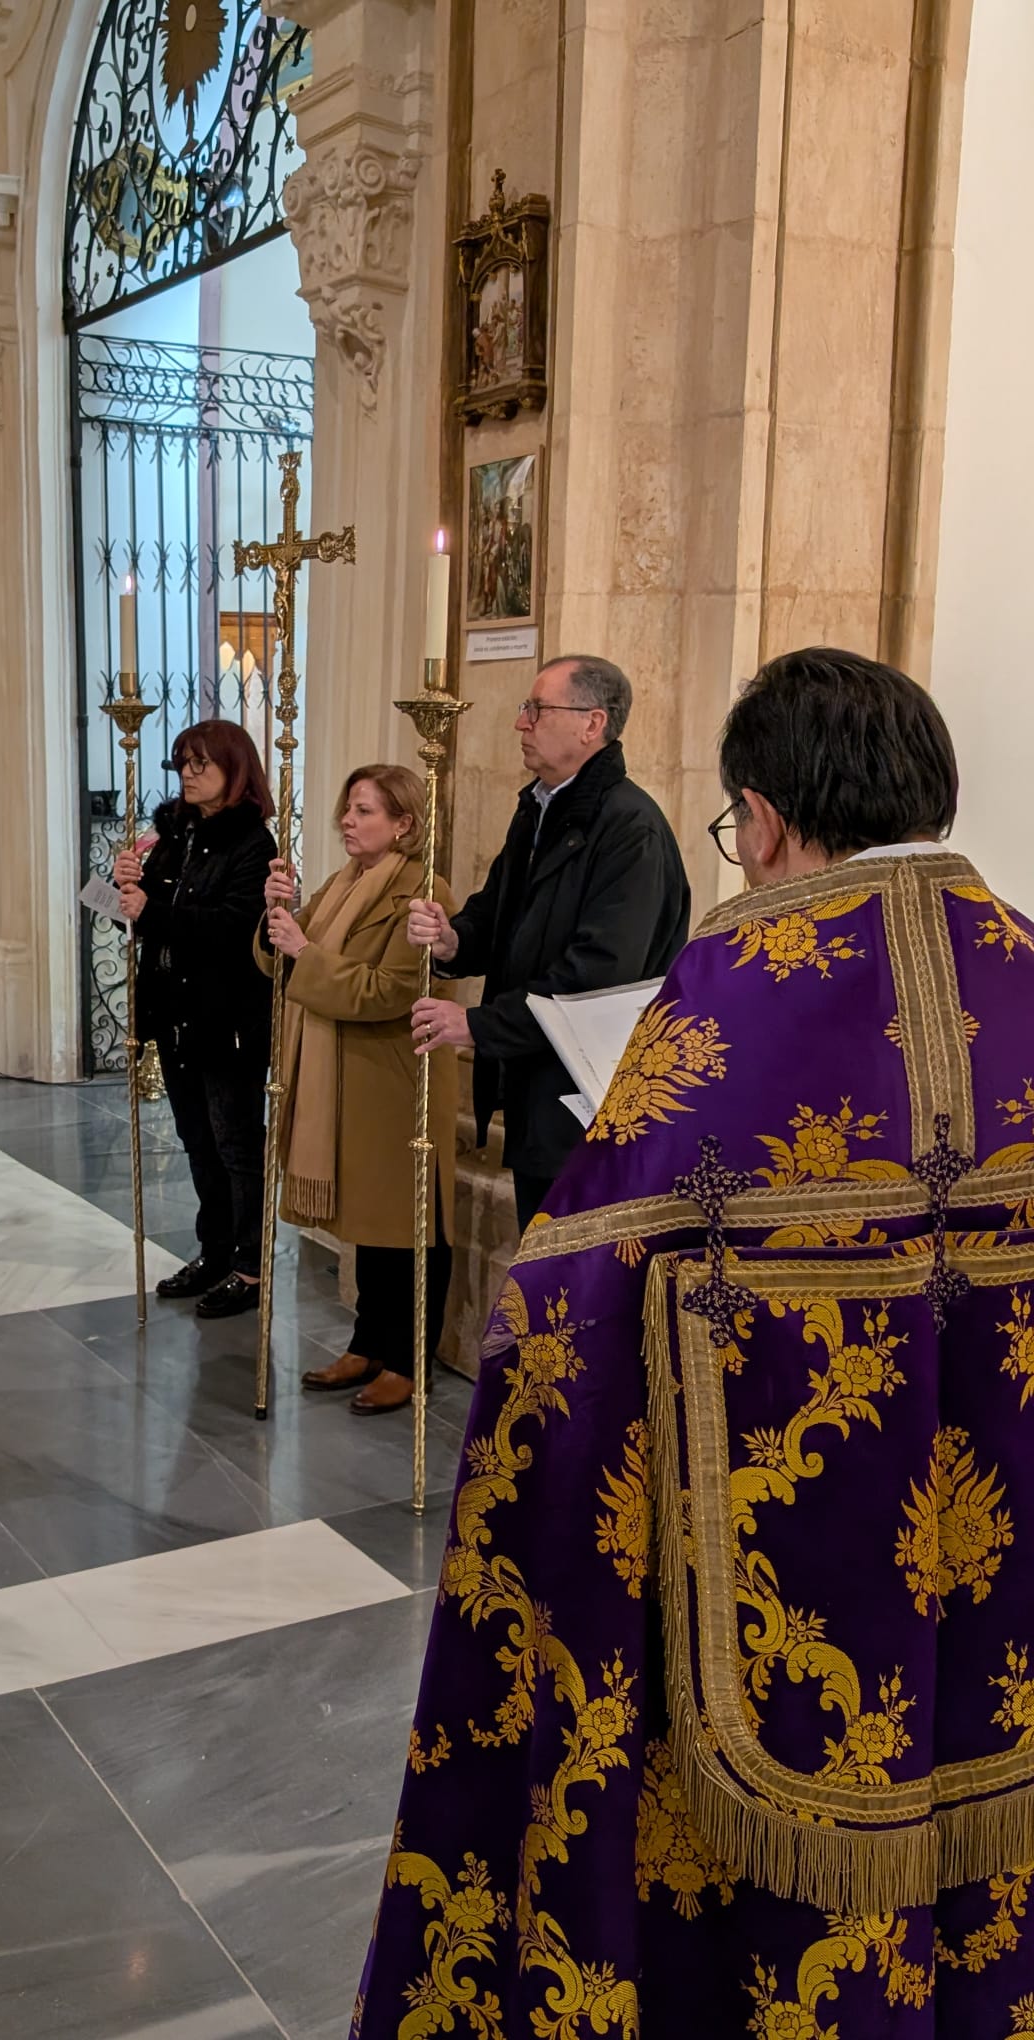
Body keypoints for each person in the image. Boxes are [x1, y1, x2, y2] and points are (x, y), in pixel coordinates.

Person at [352, 648, 1034, 2036]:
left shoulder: (740, 979)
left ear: (763, 819)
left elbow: (569, 1303)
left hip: (778, 1602)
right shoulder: (1024, 962)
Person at [409, 653, 690, 1231]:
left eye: (536, 709)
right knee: (539, 1256)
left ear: (593, 724)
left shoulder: (630, 828)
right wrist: (454, 941)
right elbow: (500, 911)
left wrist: (480, 1026)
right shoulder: (541, 806)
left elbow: (597, 975)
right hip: (538, 1087)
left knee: (570, 1262)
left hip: (588, 1100)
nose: (521, 723)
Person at [260, 766, 458, 1414]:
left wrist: (304, 951)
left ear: (404, 823)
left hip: (397, 1081)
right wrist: (275, 915)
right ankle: (368, 1343)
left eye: (365, 810)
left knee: (410, 1229)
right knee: (369, 1225)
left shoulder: (422, 893)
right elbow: (278, 958)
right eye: (348, 808)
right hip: (351, 1078)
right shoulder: (344, 882)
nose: (348, 820)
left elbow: (391, 991)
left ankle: (408, 1360)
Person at [115, 719, 275, 1319]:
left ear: (235, 770)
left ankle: (250, 1265)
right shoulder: (176, 835)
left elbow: (234, 928)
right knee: (198, 1141)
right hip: (176, 1013)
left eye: (201, 763)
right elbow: (143, 914)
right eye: (182, 762)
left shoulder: (253, 845)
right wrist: (123, 888)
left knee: (236, 1144)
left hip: (226, 1018)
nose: (187, 773)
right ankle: (215, 1251)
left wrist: (151, 910)